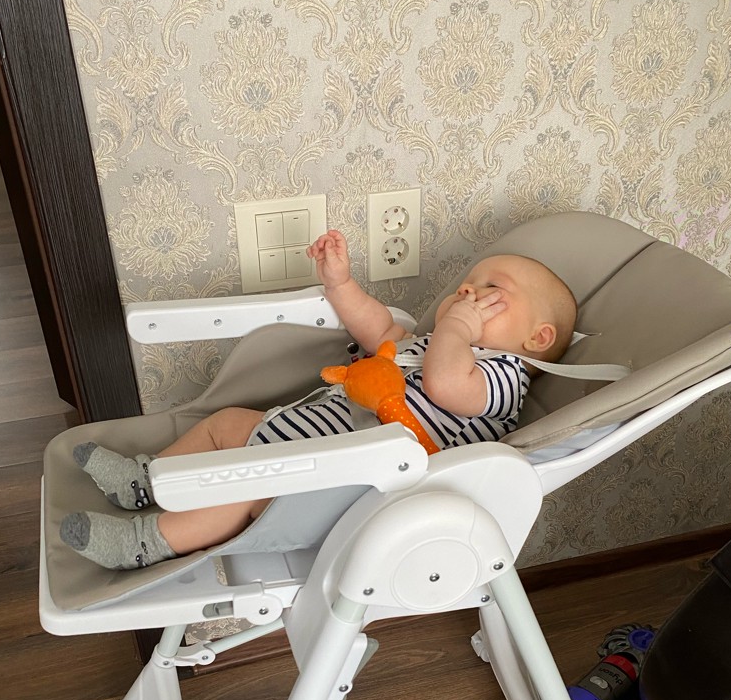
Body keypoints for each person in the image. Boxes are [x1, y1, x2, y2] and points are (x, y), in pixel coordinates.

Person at [61, 230, 577, 569]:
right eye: (466, 286)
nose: (466, 294)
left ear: (537, 338)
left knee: (238, 488)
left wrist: (458, 329)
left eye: (490, 293)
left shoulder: (502, 379)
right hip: (290, 436)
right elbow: (379, 328)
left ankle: (144, 542)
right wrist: (341, 283)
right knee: (225, 423)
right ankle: (144, 480)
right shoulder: (429, 344)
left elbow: (444, 386)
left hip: (326, 484)